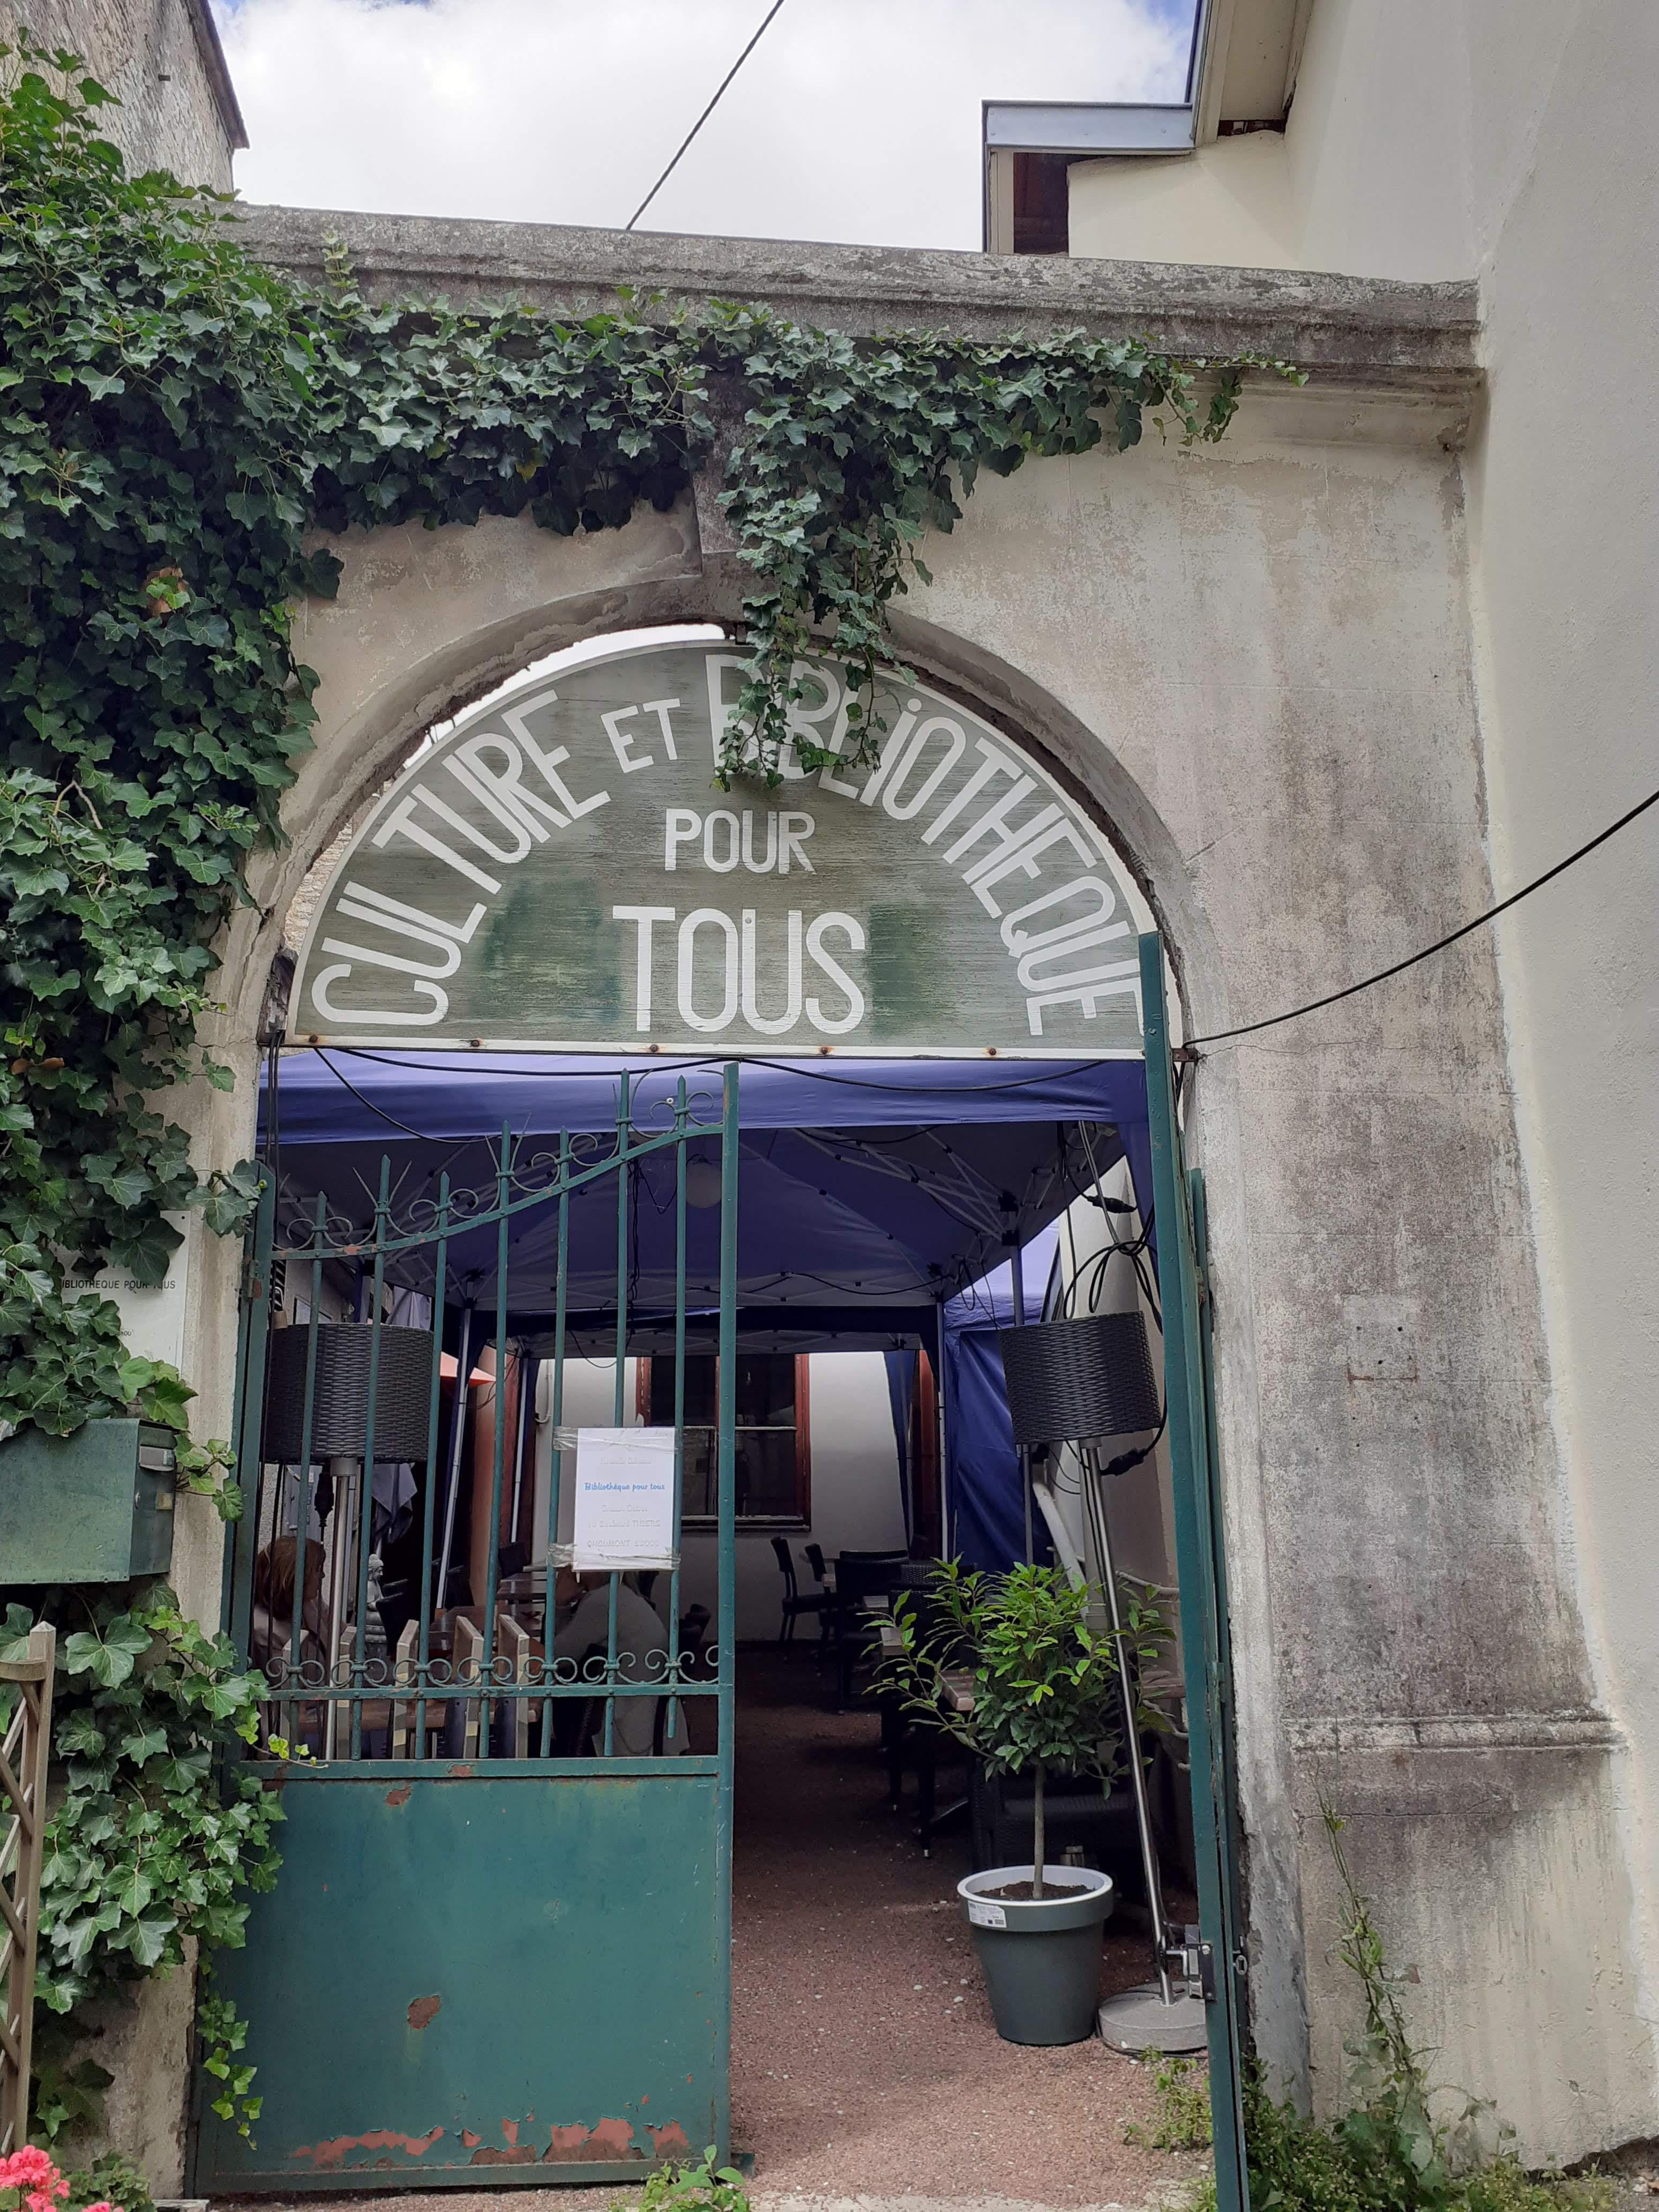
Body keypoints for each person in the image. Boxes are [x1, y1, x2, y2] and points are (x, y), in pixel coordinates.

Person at [551, 1566, 689, 1755]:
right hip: (652, 1720)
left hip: (627, 1729)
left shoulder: (604, 1601)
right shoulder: (622, 1594)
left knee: (547, 1719)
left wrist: (559, 1603)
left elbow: (556, 1658)